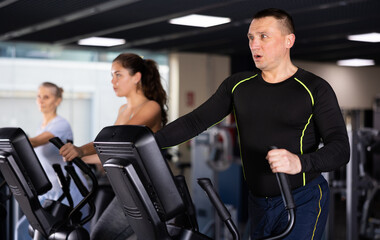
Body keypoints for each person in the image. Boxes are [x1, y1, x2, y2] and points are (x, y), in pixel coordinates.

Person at [154, 8, 350, 240]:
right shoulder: (238, 85)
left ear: (289, 40)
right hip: (257, 201)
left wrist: (299, 162)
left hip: (303, 198)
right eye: (251, 38)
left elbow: (340, 148)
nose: (255, 45)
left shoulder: (315, 88)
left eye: (263, 36)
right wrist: (147, 143)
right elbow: (195, 122)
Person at [59, 53, 168, 240]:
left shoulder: (152, 107)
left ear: (136, 77)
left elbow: (116, 139)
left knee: (100, 236)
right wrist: (78, 157)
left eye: (118, 75)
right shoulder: (123, 110)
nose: (113, 81)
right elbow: (110, 151)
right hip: (126, 188)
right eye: (112, 75)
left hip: (147, 192)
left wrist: (81, 150)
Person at [15, 82, 88, 240]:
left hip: (70, 191)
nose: (41, 100)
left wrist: (13, 141)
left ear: (57, 100)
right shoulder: (41, 126)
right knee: (23, 230)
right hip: (50, 192)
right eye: (39, 96)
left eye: (46, 97)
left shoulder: (60, 124)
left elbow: (34, 142)